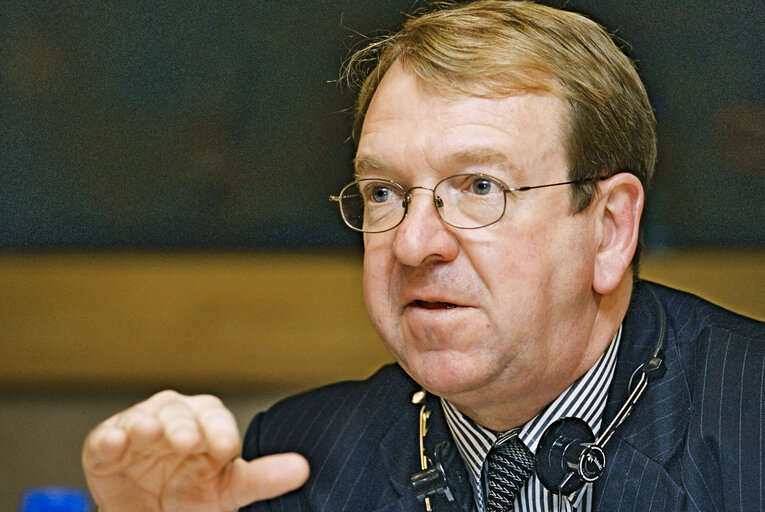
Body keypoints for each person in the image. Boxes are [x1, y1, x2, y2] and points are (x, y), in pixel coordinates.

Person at [82, 1, 765, 511]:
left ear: (609, 229)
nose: (411, 244)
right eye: (384, 192)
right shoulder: (296, 458)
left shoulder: (749, 422)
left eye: (478, 188)